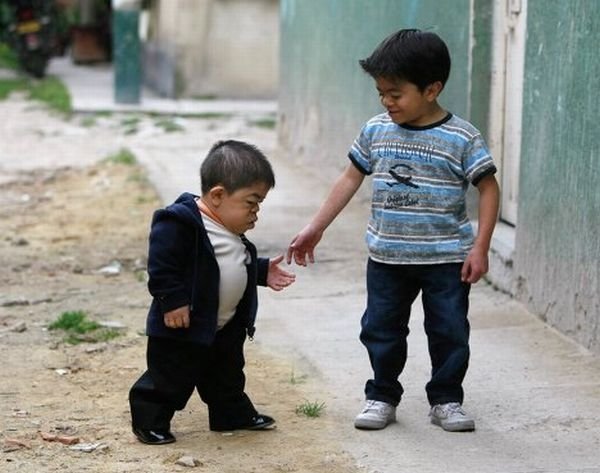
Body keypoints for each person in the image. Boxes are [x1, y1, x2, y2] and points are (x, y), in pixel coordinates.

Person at [286, 29, 499, 432]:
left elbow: (488, 188)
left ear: (432, 89)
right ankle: (382, 395)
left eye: (396, 93)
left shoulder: (461, 138)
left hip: (446, 258)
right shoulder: (376, 130)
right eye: (381, 92)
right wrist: (316, 227)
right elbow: (350, 178)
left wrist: (481, 246)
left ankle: (447, 399)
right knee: (380, 329)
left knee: (449, 331)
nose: (387, 101)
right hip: (387, 257)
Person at [129, 140, 296, 445]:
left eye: (259, 205)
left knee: (227, 376)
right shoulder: (180, 222)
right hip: (182, 324)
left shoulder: (228, 229)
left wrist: (259, 270)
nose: (256, 212)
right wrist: (173, 301)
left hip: (223, 325)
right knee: (169, 376)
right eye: (251, 202)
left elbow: (226, 261)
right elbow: (163, 265)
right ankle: (149, 420)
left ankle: (230, 414)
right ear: (218, 195)